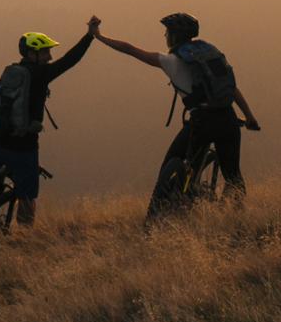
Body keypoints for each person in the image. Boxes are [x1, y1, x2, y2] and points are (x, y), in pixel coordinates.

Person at [96, 12, 260, 212]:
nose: (165, 36)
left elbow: (129, 49)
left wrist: (99, 36)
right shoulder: (210, 53)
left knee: (173, 161)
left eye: (167, 32)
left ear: (174, 36)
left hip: (202, 122)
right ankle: (238, 217)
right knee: (233, 175)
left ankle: (165, 213)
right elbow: (231, 87)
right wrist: (250, 117)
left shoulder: (171, 61)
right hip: (228, 118)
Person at [0, 15, 100, 226]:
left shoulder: (11, 72)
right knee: (27, 196)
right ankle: (25, 239)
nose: (50, 57)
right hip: (24, 148)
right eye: (46, 52)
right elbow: (70, 60)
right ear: (33, 53)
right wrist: (89, 37)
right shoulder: (41, 74)